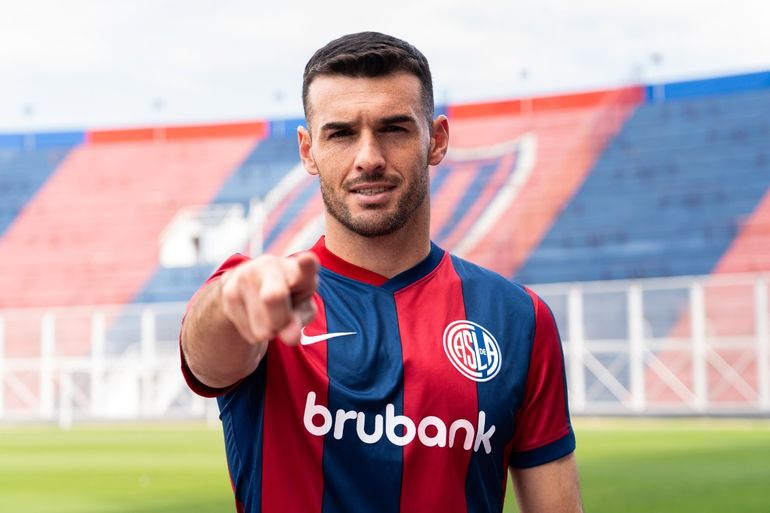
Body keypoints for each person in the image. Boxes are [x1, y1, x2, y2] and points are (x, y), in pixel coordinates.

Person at [180, 31, 583, 513]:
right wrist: (229, 304)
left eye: (394, 129)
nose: (369, 158)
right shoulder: (264, 298)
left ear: (437, 140)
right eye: (341, 133)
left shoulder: (518, 318)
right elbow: (206, 357)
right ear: (308, 151)